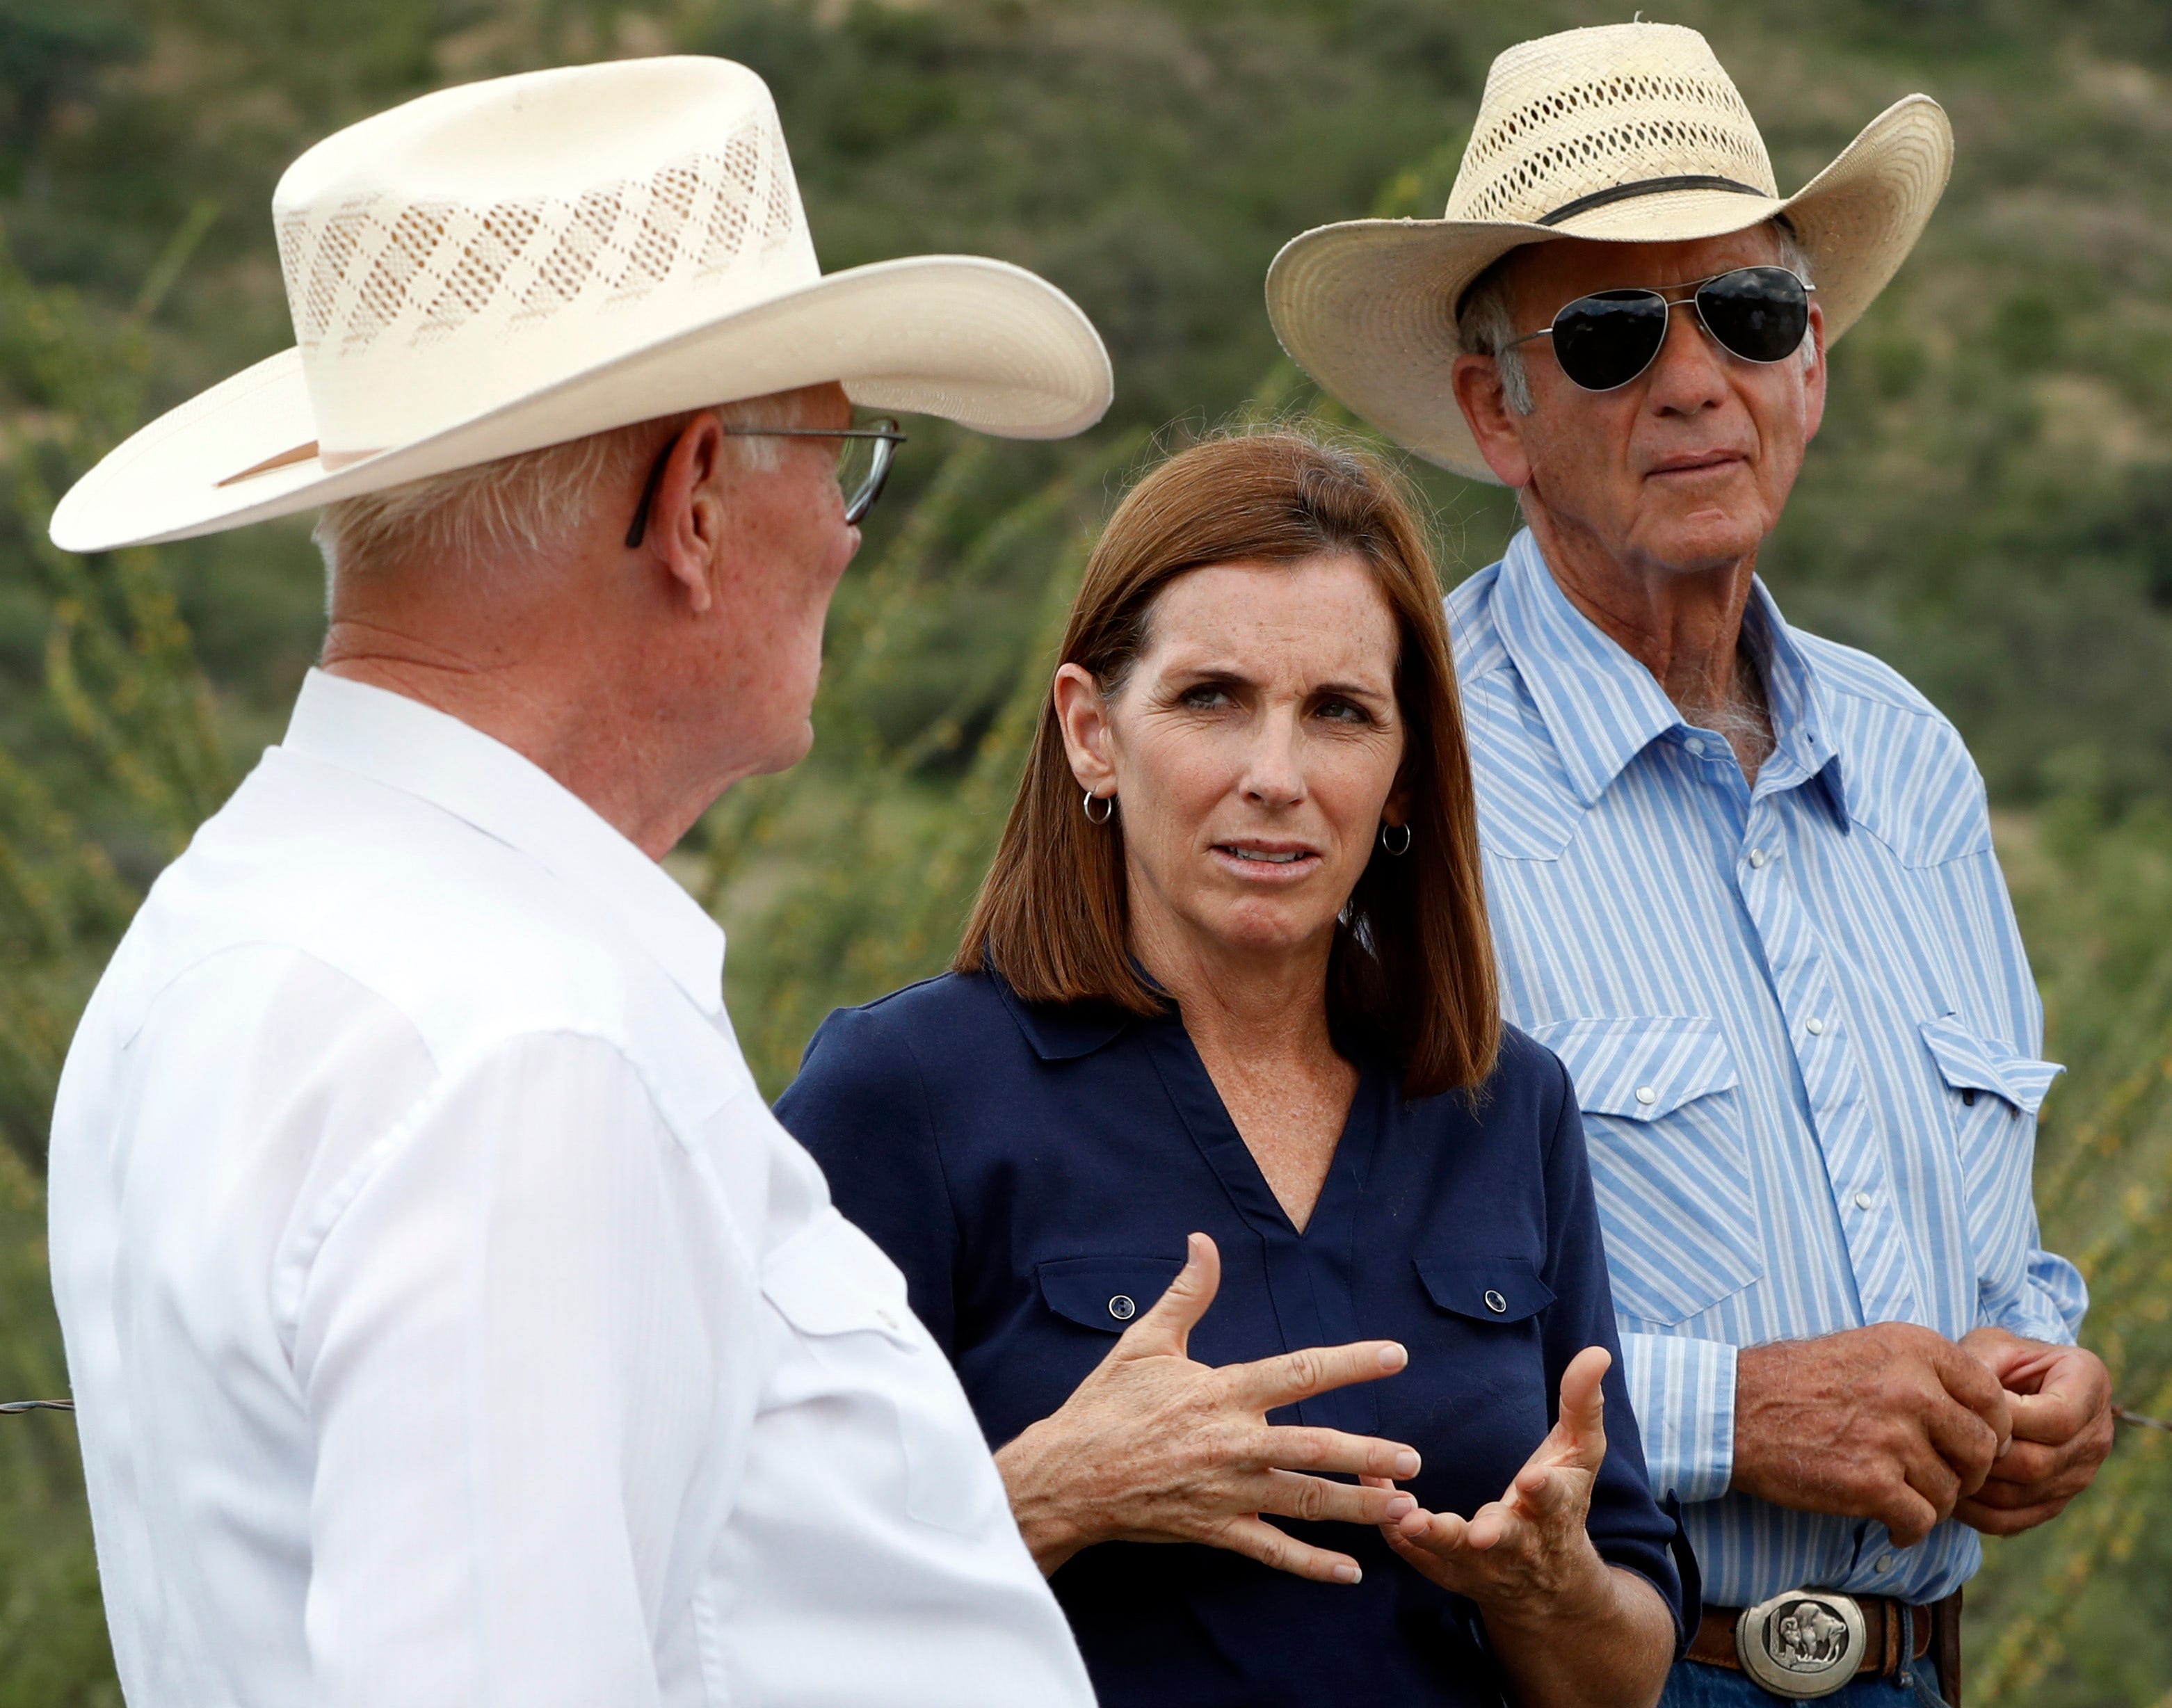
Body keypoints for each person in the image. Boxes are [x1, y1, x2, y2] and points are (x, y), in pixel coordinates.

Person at [45, 57, 1113, 1708]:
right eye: (840, 462)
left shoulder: (237, 922)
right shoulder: (523, 1046)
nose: (839, 533)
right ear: (692, 499)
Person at [1267, 22, 2113, 1705]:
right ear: (1490, 416)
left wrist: (2043, 1369)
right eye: (1603, 336)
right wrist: (1736, 1412)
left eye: (1742, 313)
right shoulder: (1387, 769)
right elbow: (1311, 1333)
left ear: (1809, 364)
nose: (1689, 379)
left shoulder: (1913, 762)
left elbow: (1998, 1253)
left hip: (1920, 1673)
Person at [775, 429, 1690, 1708]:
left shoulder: (1501, 1105)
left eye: (1340, 714)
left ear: (1408, 764)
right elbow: (734, 1588)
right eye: (1212, 699)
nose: (1277, 777)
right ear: (1093, 733)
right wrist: (1054, 1494)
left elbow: (1624, 1673)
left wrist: (1553, 1589)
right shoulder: (907, 1093)